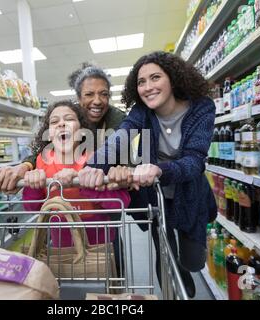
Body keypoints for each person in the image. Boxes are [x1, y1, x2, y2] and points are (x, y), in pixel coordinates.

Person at [77, 51, 218, 298]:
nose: (148, 87)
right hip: (156, 195)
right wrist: (94, 166)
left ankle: (184, 270)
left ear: (172, 78)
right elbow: (121, 137)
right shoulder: (142, 111)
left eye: (155, 78)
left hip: (189, 193)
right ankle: (171, 288)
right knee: (163, 249)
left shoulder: (201, 108)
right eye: (141, 82)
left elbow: (195, 160)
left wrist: (159, 169)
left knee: (193, 260)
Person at [0, 63, 126, 194]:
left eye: (103, 94)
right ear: (79, 98)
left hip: (103, 195)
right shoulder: (71, 115)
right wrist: (26, 166)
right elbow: (44, 150)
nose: (97, 100)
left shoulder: (119, 121)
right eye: (89, 94)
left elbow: (124, 164)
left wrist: (121, 174)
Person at [21, 100, 130, 248]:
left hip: (100, 251)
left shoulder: (97, 159)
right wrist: (32, 185)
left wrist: (85, 183)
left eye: (69, 119)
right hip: (62, 253)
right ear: (48, 134)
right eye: (54, 122)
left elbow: (120, 203)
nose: (61, 124)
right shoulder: (41, 162)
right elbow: (32, 208)